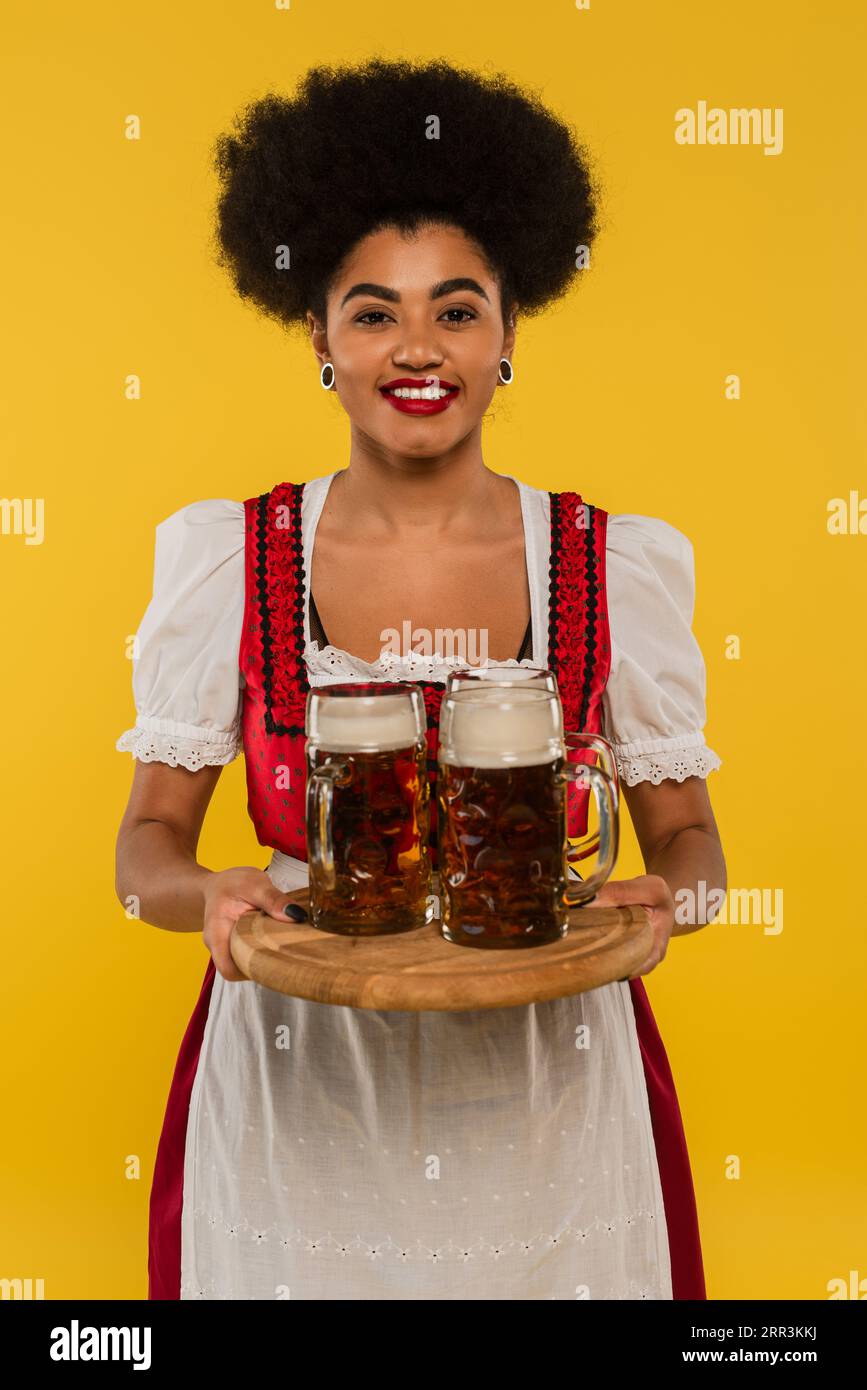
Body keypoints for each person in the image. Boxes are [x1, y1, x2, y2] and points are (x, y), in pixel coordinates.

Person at [115, 57, 726, 1301]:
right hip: (302, 1073)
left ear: (510, 335)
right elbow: (144, 851)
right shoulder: (229, 556)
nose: (417, 349)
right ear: (320, 338)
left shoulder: (617, 562)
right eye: (372, 312)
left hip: (547, 1088)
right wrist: (210, 897)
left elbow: (696, 840)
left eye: (457, 310)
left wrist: (679, 901)